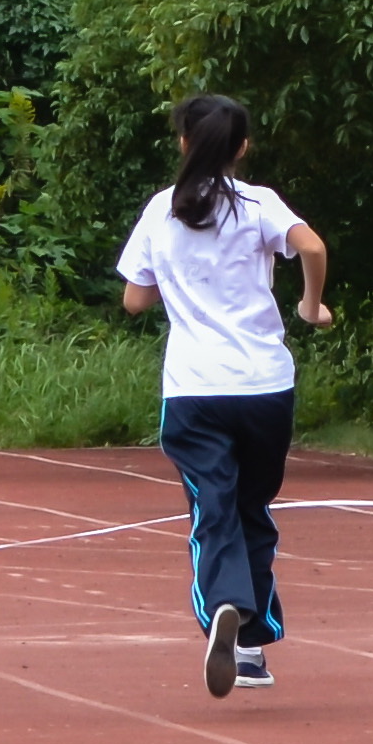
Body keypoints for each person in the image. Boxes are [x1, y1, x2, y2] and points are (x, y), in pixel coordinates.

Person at [117, 97, 330, 695]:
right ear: (241, 148)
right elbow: (311, 247)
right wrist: (310, 306)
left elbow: (135, 299)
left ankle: (226, 608)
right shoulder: (259, 204)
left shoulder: (162, 210)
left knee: (214, 509)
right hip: (265, 386)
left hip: (196, 391)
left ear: (184, 142)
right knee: (252, 510)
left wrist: (177, 283)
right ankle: (252, 651)